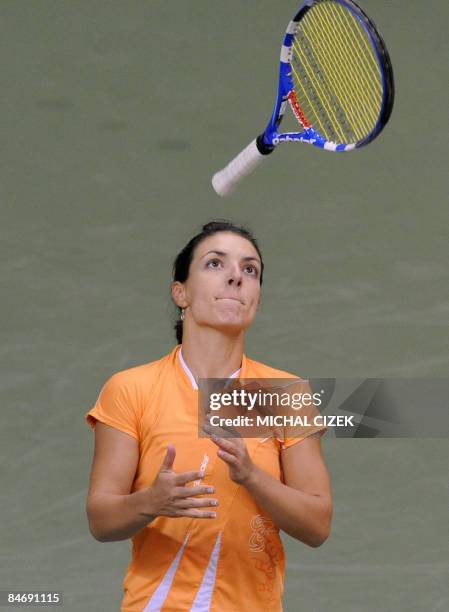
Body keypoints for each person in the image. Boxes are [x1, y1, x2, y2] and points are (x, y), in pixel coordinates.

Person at [85, 220, 333, 612]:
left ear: (257, 298)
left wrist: (252, 477)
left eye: (250, 270)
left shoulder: (284, 394)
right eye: (216, 264)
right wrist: (151, 501)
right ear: (180, 292)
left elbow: (318, 524)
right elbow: (101, 518)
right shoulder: (131, 388)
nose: (236, 276)